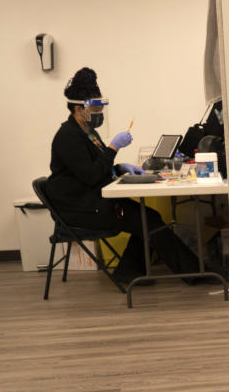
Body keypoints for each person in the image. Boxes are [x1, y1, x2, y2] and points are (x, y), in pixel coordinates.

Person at [46, 67, 208, 284]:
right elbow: (91, 175)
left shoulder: (88, 133)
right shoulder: (68, 137)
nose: (98, 112)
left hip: (92, 201)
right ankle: (194, 274)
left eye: (100, 106)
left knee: (148, 218)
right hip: (79, 208)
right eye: (94, 107)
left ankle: (129, 272)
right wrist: (113, 147)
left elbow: (98, 166)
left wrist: (120, 167)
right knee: (147, 220)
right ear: (78, 108)